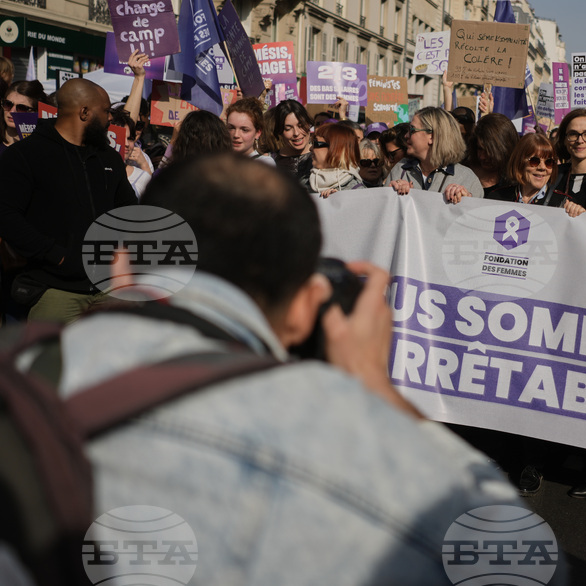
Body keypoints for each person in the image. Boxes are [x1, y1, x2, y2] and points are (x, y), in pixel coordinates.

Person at [54, 153, 521, 583]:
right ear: (303, 310)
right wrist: (375, 386)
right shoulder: (325, 451)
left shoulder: (22, 369)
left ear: (120, 265)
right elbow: (515, 559)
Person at [0, 78, 137, 323]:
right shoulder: (25, 155)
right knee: (50, 361)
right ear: (84, 112)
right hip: (55, 291)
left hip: (109, 289)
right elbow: (7, 216)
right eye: (105, 111)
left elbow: (129, 211)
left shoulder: (109, 158)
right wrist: (56, 255)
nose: (109, 119)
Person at [387, 107, 483, 202]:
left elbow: (475, 215)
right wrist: (392, 193)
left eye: (412, 130)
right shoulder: (400, 169)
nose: (406, 135)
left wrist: (467, 200)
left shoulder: (467, 178)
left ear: (432, 137)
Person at [487, 133, 556, 204]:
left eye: (549, 162)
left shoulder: (562, 203)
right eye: (534, 161)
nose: (542, 167)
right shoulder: (496, 198)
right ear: (520, 163)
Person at [465, 113, 519, 198]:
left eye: (489, 151)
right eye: (480, 148)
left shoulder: (517, 183)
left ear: (504, 149)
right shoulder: (462, 173)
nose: (482, 156)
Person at [308, 122, 362, 196]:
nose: (311, 148)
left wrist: (338, 201)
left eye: (316, 143)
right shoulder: (305, 183)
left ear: (336, 149)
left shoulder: (358, 191)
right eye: (312, 143)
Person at [269, 100, 314, 180]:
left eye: (301, 126)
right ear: (280, 131)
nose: (296, 133)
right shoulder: (271, 162)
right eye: (288, 129)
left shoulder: (324, 157)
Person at [226, 97, 275, 165]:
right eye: (231, 128)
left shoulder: (264, 164)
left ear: (258, 132)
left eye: (244, 130)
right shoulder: (218, 161)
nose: (236, 135)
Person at [2, 80, 47, 153]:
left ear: (35, 112)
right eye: (8, 104)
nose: (12, 111)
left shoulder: (42, 149)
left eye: (21, 108)